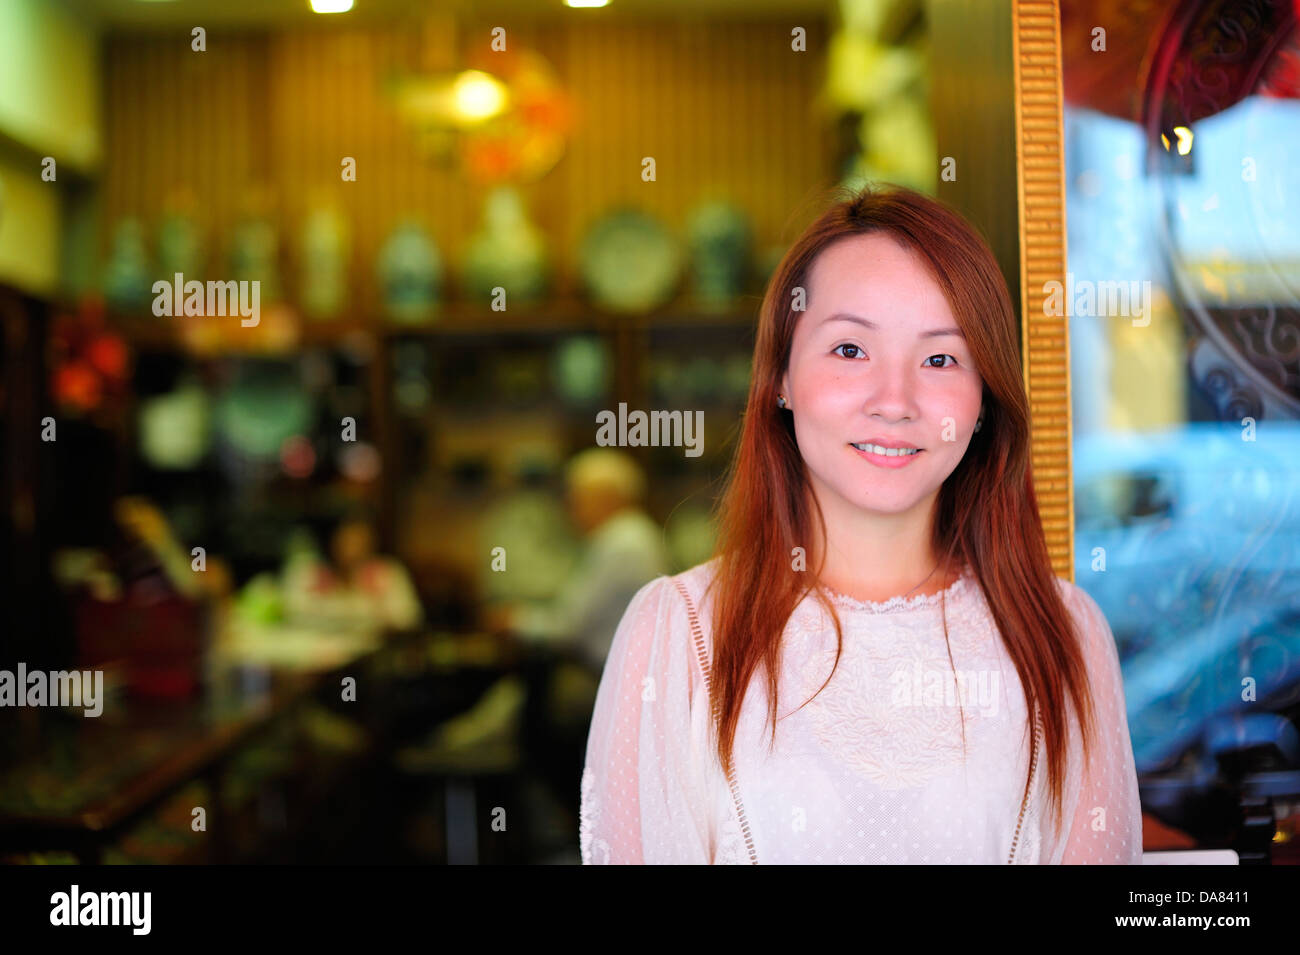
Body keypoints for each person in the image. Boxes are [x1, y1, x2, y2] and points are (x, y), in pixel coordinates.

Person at [579, 183, 1143, 864]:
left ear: (984, 398)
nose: (895, 401)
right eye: (850, 349)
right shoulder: (678, 634)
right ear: (780, 378)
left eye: (940, 357)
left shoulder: (1065, 634)